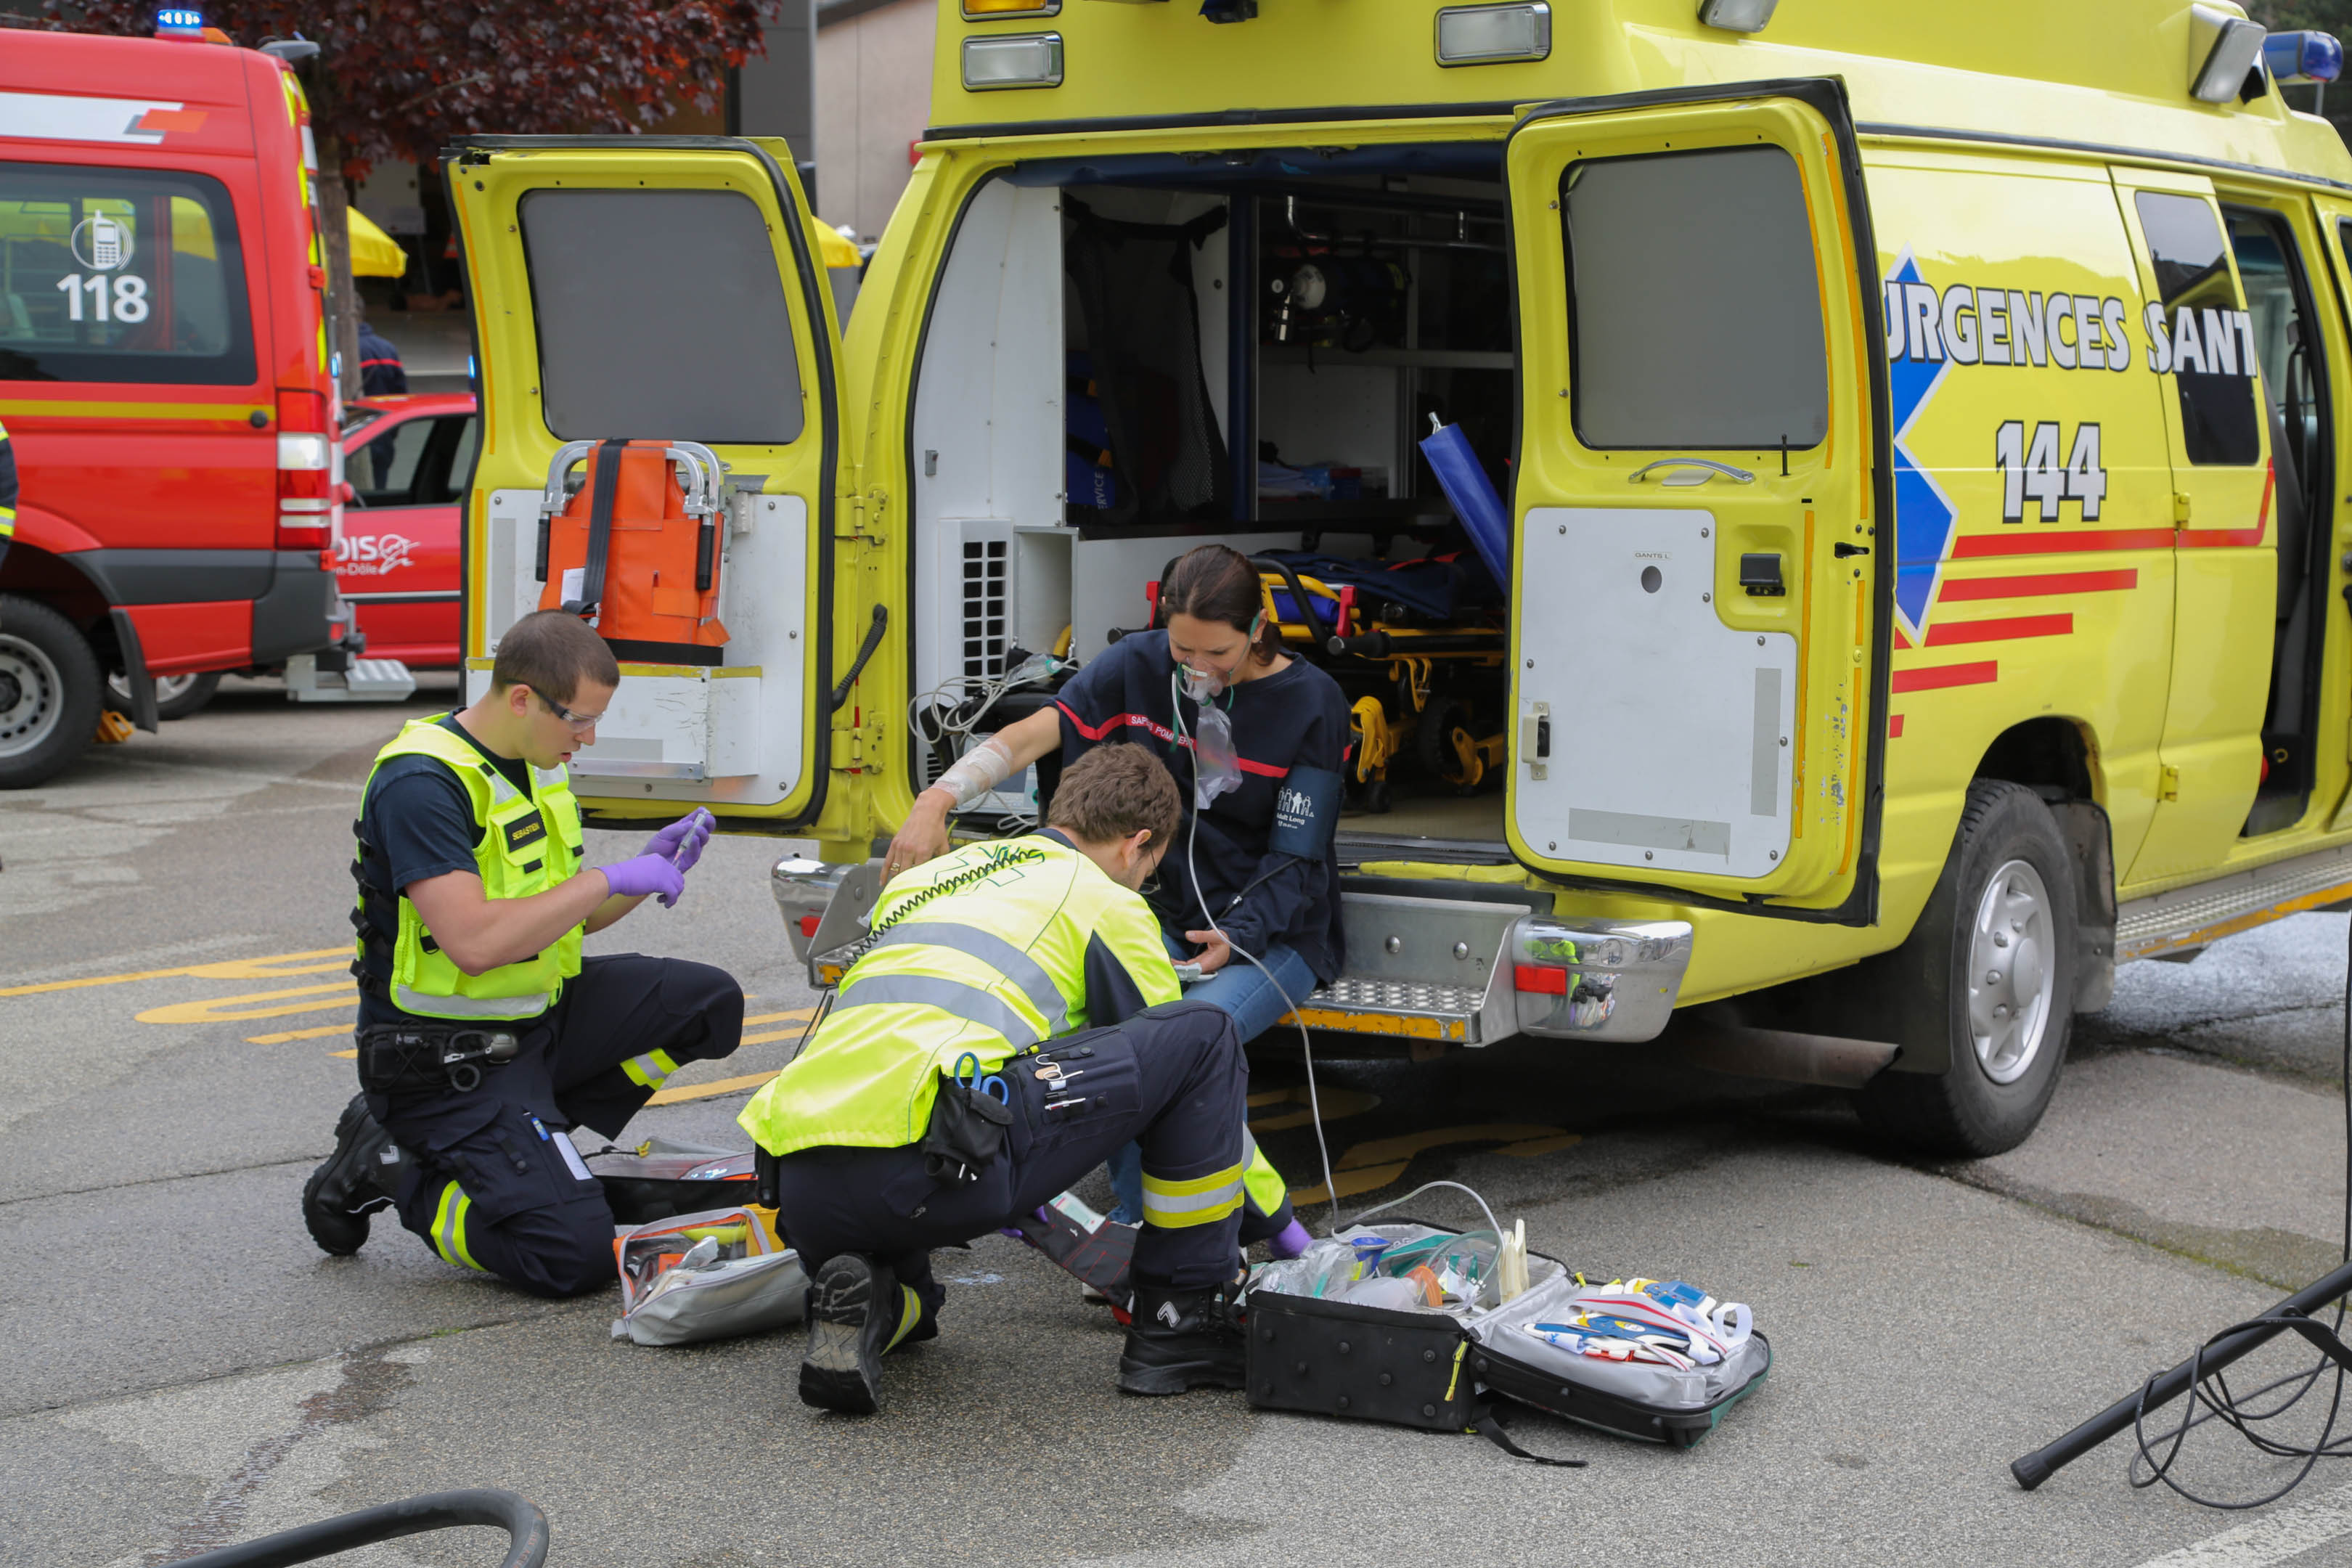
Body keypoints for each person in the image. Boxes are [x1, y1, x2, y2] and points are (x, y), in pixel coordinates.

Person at [743, 743, 1295, 1413]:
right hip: (934, 1165)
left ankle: (879, 1298)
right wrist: (1281, 1225)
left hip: (803, 1184)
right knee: (1203, 1034)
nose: (1142, 883)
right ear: (1137, 844)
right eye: (1149, 870)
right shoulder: (1104, 901)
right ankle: (1182, 1322)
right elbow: (1177, 1063)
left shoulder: (933, 877)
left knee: (915, 1300)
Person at [886, 542, 1352, 1228]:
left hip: (1270, 932)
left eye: (1217, 654)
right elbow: (1029, 736)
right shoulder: (1138, 664)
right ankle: (1142, 1224)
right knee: (1117, 1041)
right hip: (1158, 911)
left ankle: (1200, 1232)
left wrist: (1237, 935)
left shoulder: (1312, 702)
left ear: (1258, 629)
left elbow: (1296, 856)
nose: (1197, 669)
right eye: (1183, 650)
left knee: (1186, 1041)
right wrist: (938, 798)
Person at [300, 610, 745, 1297]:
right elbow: (475, 943)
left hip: (533, 1024)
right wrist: (608, 878)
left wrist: (645, 871)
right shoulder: (423, 783)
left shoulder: (533, 768)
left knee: (709, 1004)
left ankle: (534, 1139)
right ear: (521, 699)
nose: (588, 738)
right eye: (579, 721)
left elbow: (562, 921)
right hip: (444, 1062)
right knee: (571, 1257)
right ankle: (397, 1167)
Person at [357, 317, 407, 396]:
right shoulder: (388, 346)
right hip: (388, 402)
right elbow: (401, 385)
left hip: (362, 402)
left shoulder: (349, 350)